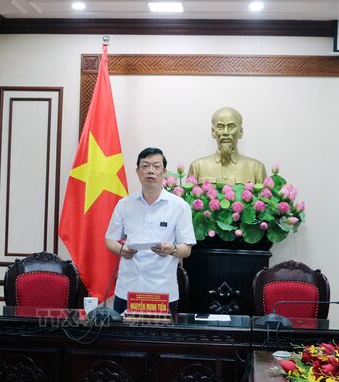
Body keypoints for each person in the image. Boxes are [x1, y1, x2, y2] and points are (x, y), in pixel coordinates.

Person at [105, 147, 196, 314]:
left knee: (158, 332)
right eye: (145, 166)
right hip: (127, 289)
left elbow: (187, 249)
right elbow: (110, 240)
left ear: (164, 172)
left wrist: (172, 249)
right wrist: (121, 250)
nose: (151, 171)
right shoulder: (124, 204)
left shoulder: (179, 206)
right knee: (122, 331)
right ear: (138, 171)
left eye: (156, 166)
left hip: (161, 291)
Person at [188, 107, 267, 184]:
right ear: (213, 132)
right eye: (220, 127)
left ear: (240, 132)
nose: (225, 132)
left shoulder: (256, 168)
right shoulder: (197, 167)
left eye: (231, 127)